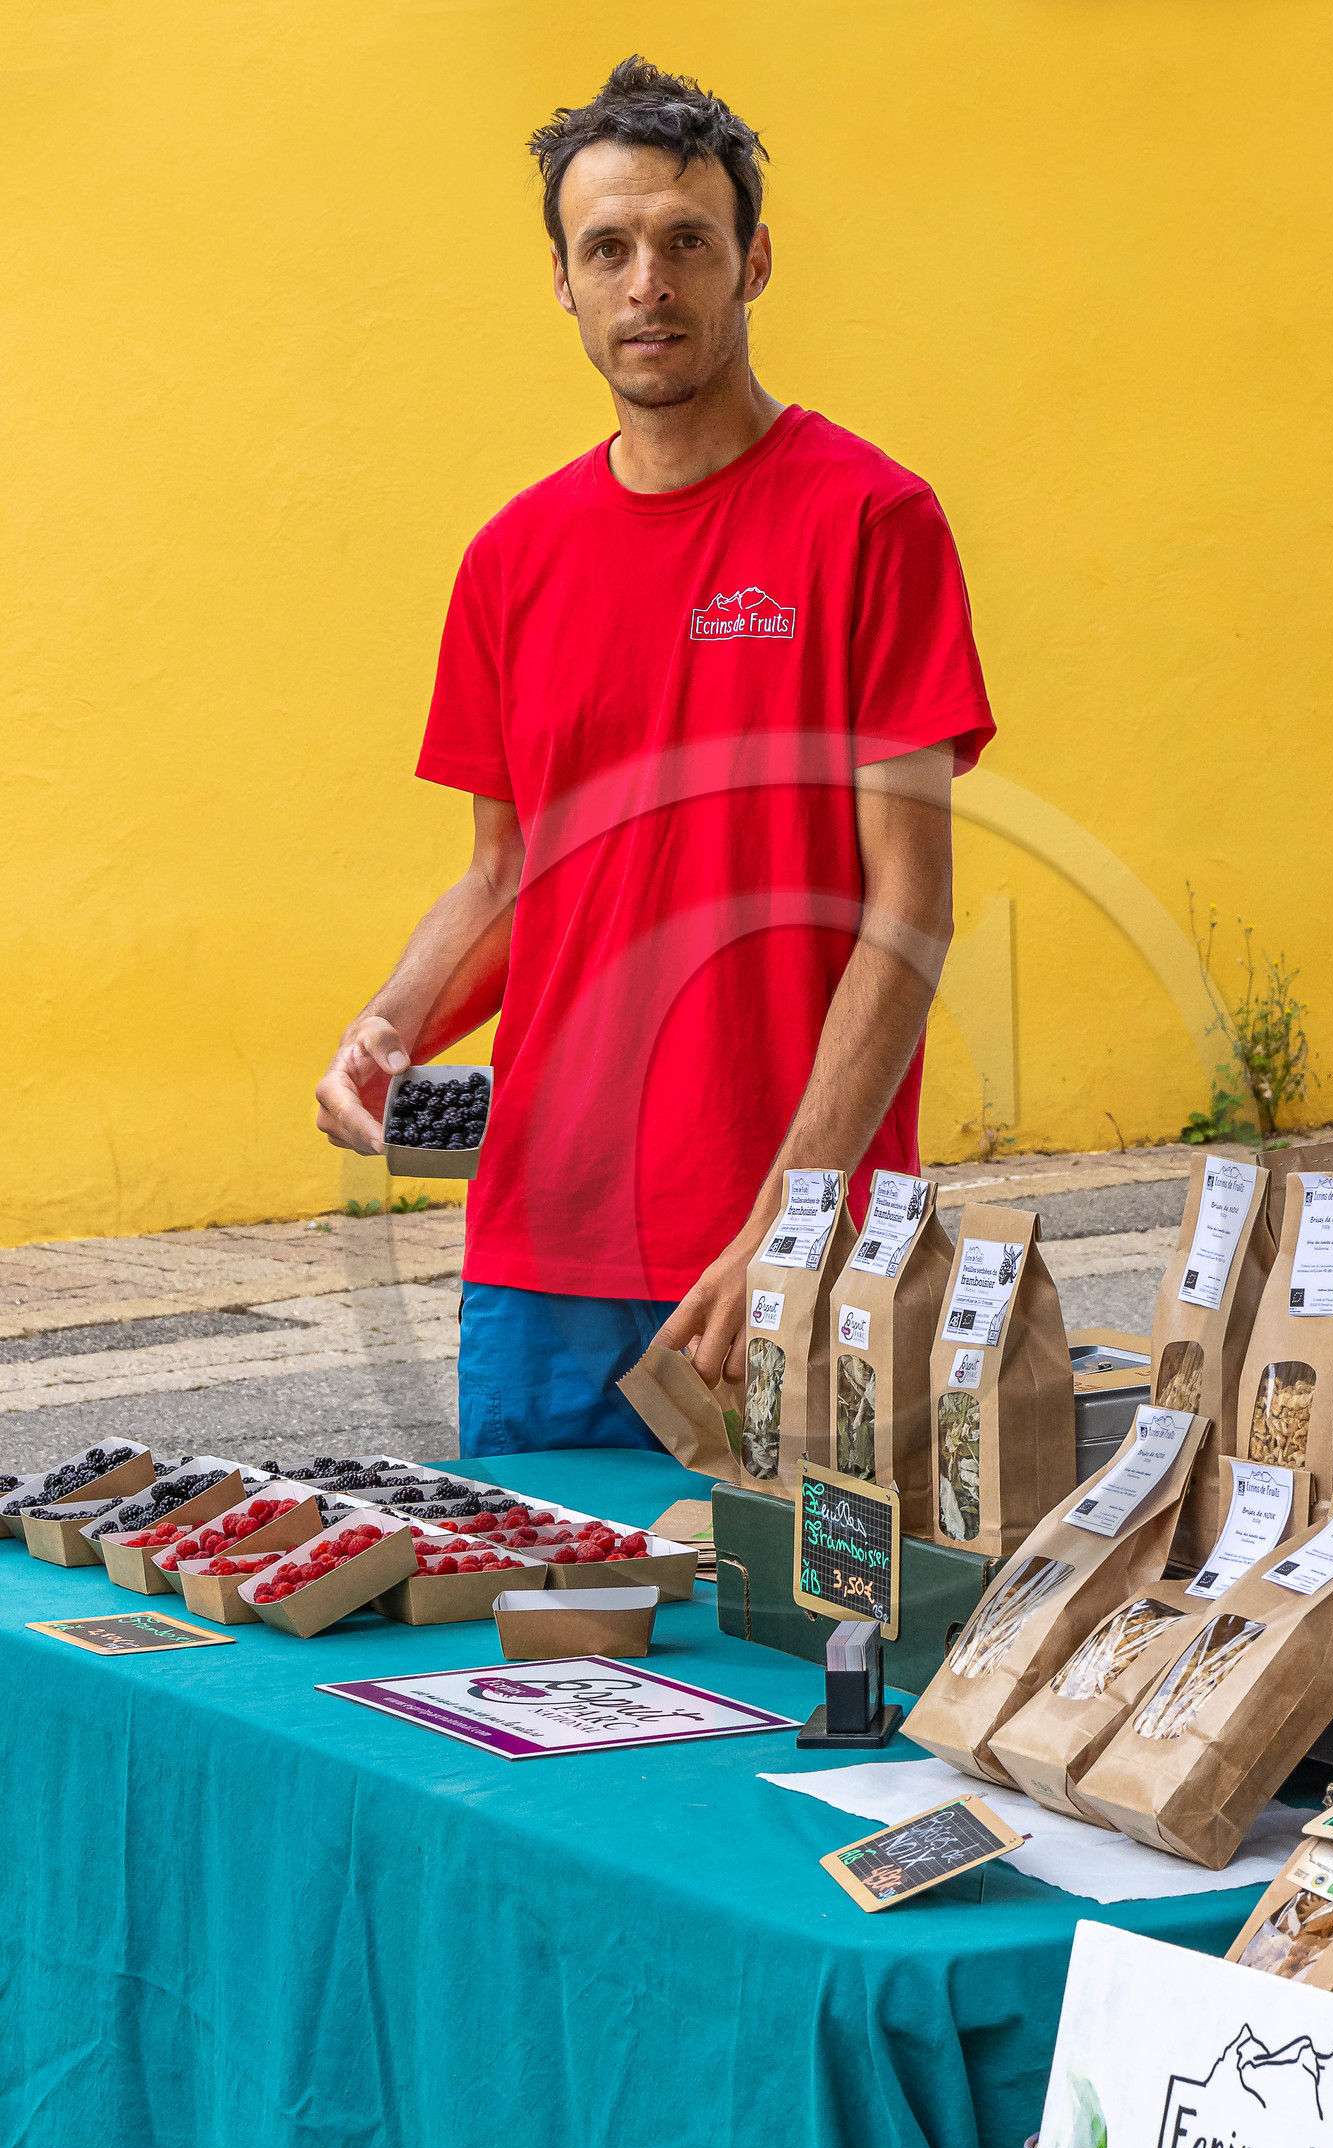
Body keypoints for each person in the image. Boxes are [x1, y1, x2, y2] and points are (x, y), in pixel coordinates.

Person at [316, 55, 994, 1457]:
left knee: (805, 1665)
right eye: (608, 248)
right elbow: (508, 875)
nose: (650, 283)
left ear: (753, 260)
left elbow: (906, 909)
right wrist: (391, 1029)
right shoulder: (512, 560)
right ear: (563, 281)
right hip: (544, 1245)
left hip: (786, 1249)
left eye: (687, 242)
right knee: (524, 1650)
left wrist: (787, 1221)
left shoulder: (872, 523)